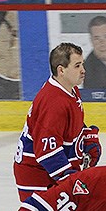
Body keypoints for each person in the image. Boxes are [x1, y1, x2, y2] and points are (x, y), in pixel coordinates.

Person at [12, 42, 101, 200]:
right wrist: (70, 180)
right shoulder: (53, 103)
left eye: (82, 64)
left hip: (48, 173)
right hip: (37, 177)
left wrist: (86, 137)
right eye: (77, 66)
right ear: (61, 70)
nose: (83, 70)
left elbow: (70, 124)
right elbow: (48, 152)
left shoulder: (69, 89)